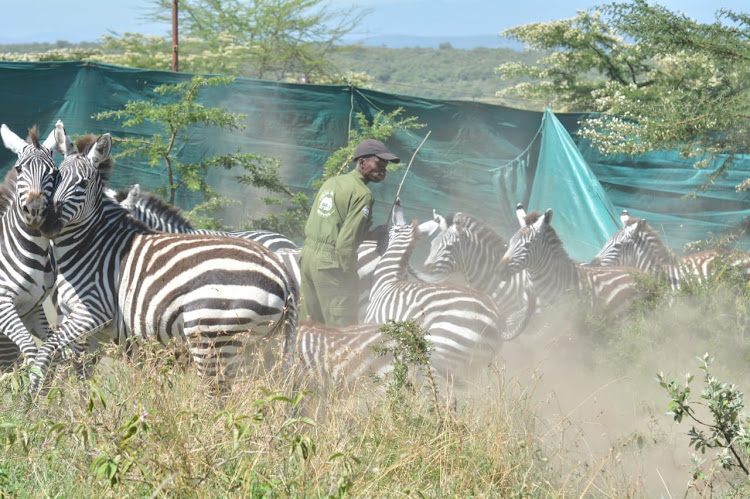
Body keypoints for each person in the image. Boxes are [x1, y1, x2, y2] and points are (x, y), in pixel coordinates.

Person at [299, 138, 400, 326]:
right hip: (331, 265)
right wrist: (350, 279)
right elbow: (345, 244)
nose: (383, 169)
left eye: (385, 166)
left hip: (307, 258)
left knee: (311, 325)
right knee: (341, 330)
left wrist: (370, 234)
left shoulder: (332, 182)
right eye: (378, 163)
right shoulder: (363, 194)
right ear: (361, 162)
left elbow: (333, 227)